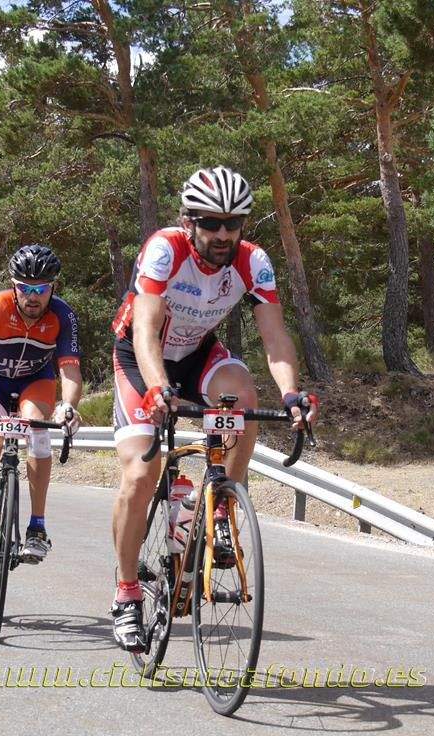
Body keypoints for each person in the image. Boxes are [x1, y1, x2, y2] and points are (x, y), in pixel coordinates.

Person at [107, 166, 320, 651]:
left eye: (233, 223)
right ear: (189, 221)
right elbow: (145, 330)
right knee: (141, 474)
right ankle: (126, 592)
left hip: (197, 354)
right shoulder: (165, 249)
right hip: (141, 358)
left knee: (243, 393)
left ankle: (221, 504)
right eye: (211, 222)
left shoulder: (253, 260)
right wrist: (157, 388)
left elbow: (275, 337)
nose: (223, 234)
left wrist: (292, 395)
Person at [0, 244, 83, 572]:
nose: (32, 297)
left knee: (38, 432)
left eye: (41, 289)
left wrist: (68, 405)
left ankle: (37, 527)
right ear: (13, 285)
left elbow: (69, 369)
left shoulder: (63, 315)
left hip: (35, 382)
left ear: (53, 288)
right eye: (25, 288)